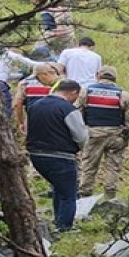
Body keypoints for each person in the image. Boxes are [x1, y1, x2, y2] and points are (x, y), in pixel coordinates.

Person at [26, 80, 88, 232]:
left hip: (36, 155)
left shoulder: (35, 105)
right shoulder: (68, 109)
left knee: (58, 189)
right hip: (61, 155)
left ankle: (57, 221)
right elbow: (81, 136)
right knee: (68, 194)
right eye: (77, 96)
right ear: (73, 92)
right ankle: (65, 227)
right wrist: (79, 148)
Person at [78, 66, 129, 200]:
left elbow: (77, 113)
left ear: (98, 76)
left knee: (89, 165)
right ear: (115, 78)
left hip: (93, 135)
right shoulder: (123, 95)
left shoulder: (86, 92)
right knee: (113, 166)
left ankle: (84, 196)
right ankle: (110, 197)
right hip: (116, 136)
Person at [11, 63, 61, 135]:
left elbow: (18, 104)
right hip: (55, 119)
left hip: (32, 118)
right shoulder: (60, 83)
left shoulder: (25, 83)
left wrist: (21, 122)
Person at [0, 48, 38, 118]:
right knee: (6, 106)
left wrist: (22, 75)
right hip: (0, 84)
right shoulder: (7, 54)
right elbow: (23, 60)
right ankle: (5, 122)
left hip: (0, 82)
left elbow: (6, 76)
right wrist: (43, 65)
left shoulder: (1, 60)